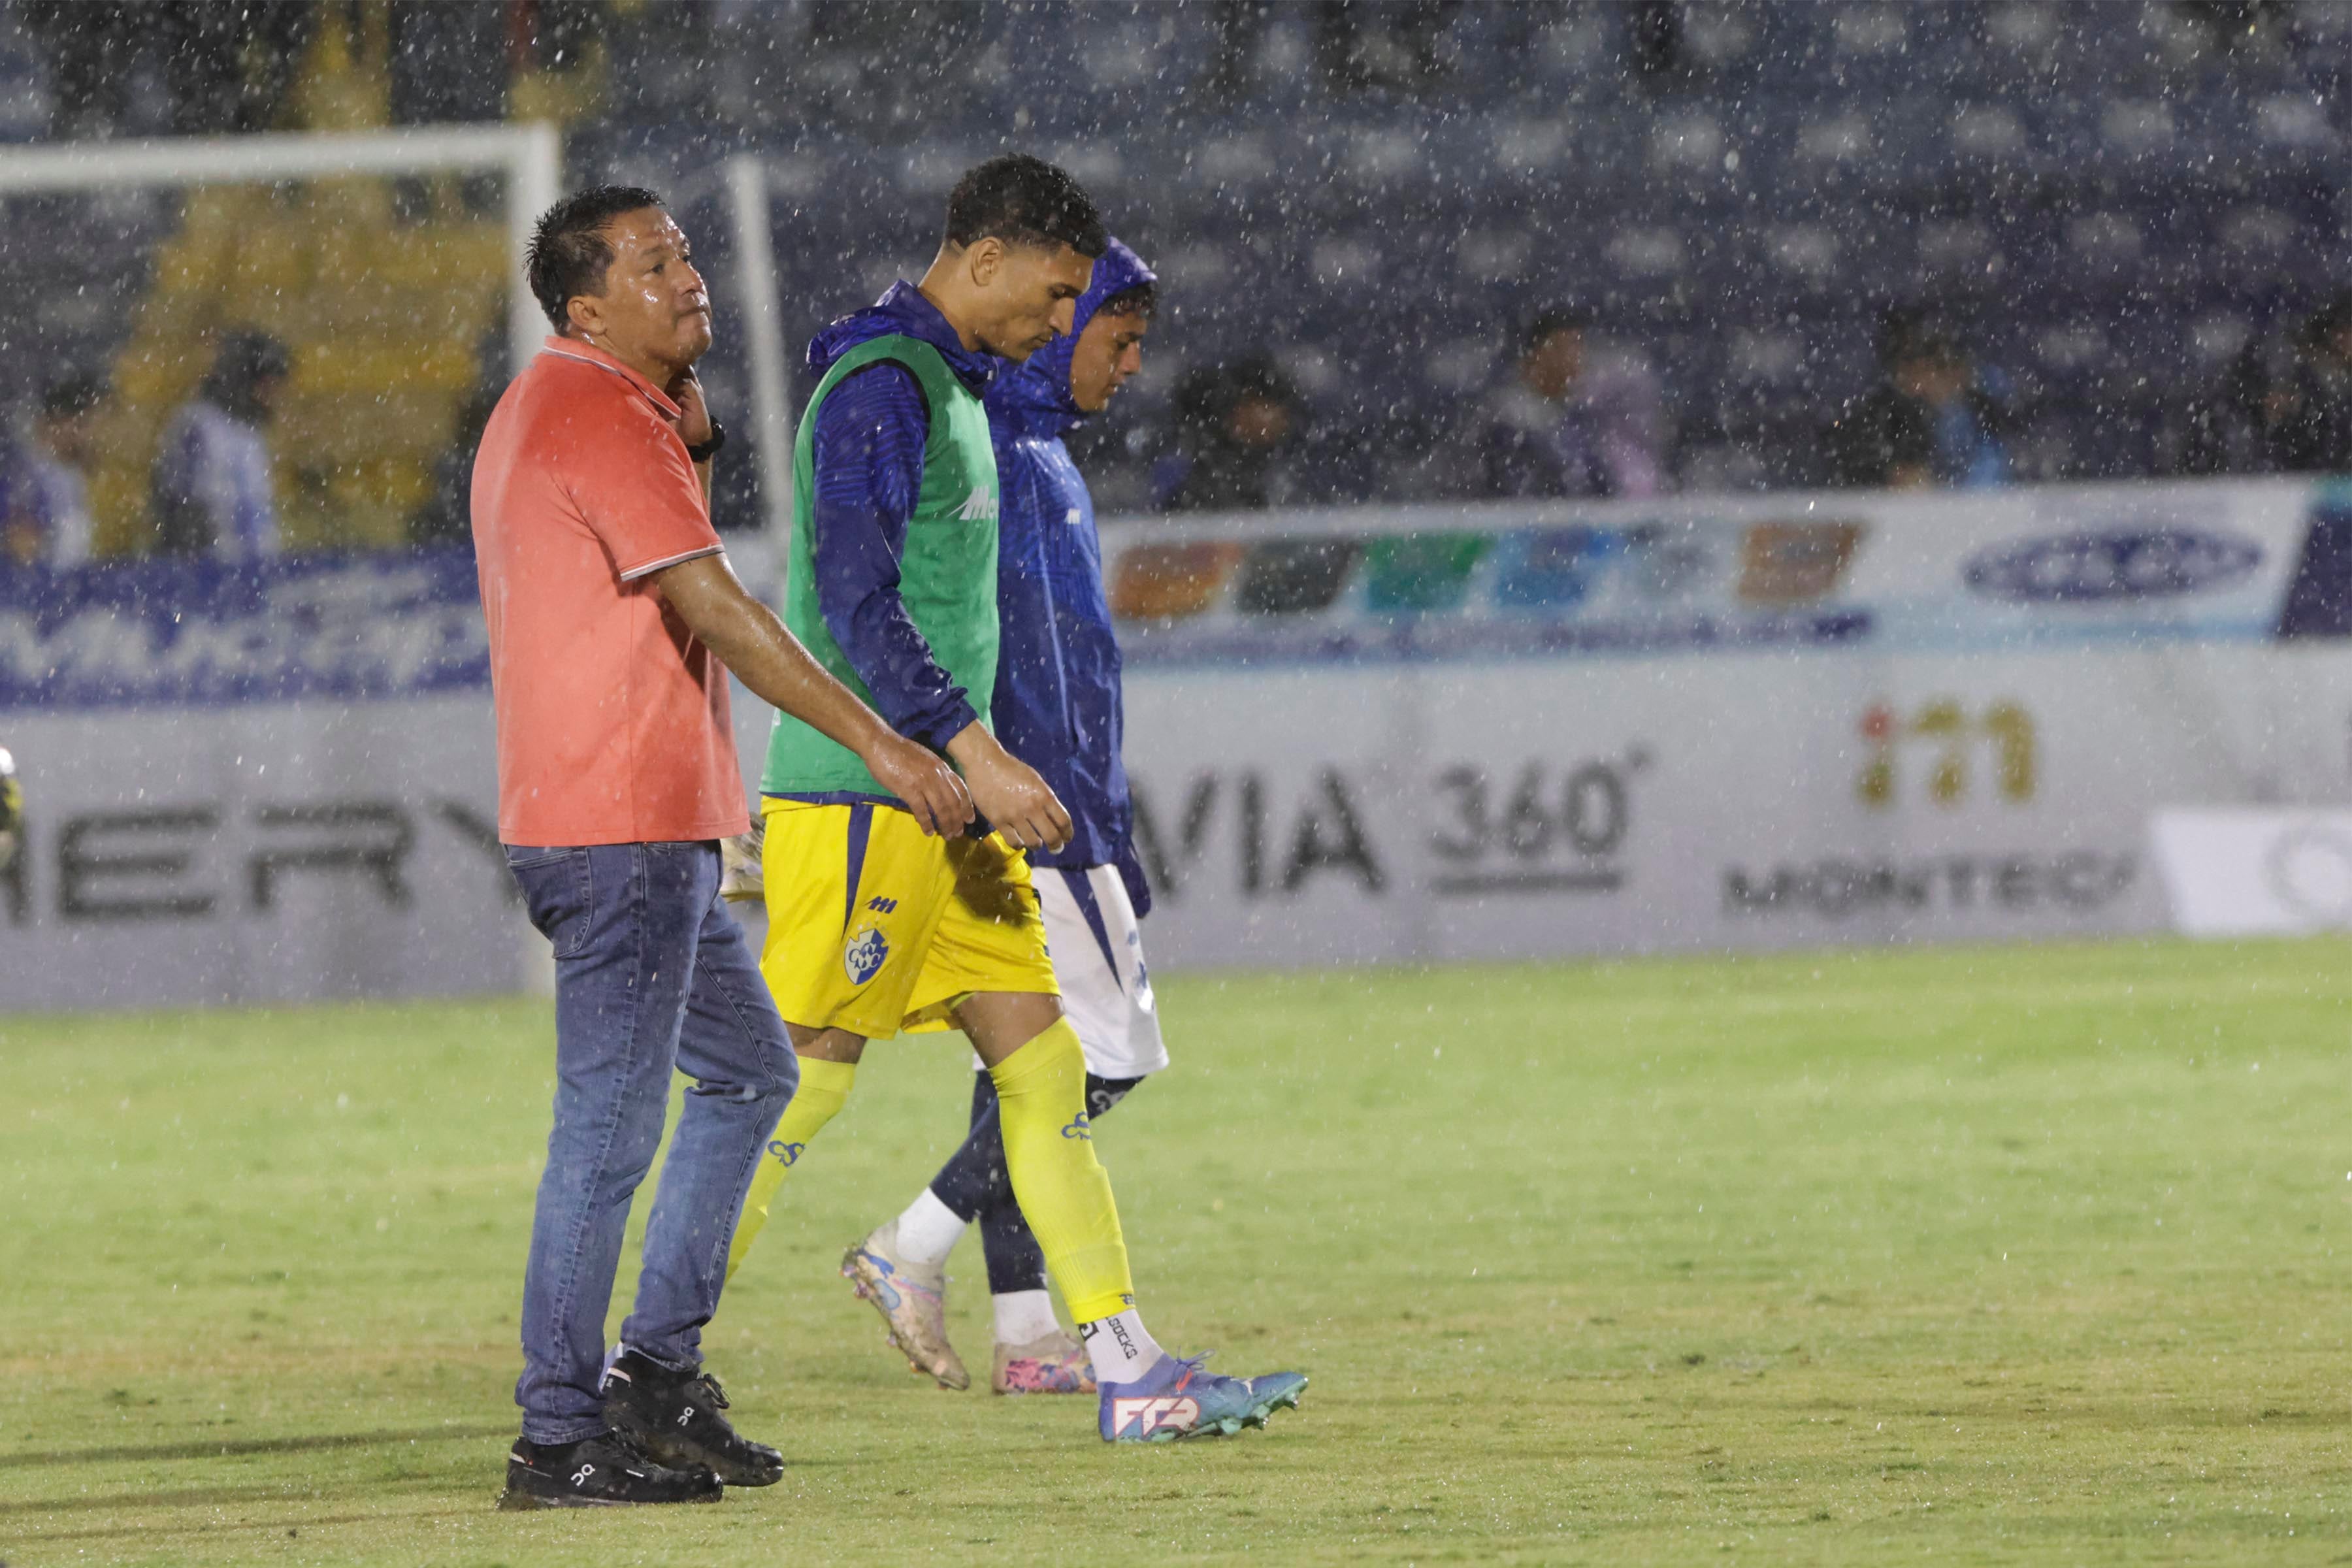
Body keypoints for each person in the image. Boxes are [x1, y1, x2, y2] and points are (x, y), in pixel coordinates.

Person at [724, 154, 1306, 1443]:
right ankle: (639, 1357)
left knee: (1047, 1077)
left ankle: (1129, 1373)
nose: (1061, 322)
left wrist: (980, 771)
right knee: (790, 1090)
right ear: (985, 259)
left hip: (950, 812)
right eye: (1054, 296)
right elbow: (855, 601)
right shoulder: (883, 387)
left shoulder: (959, 393)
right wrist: (970, 748)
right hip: (869, 795)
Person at [472, 184, 972, 1510]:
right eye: (654, 263)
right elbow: (719, 611)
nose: (688, 277)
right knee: (607, 1134)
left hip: (628, 825)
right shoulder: (597, 411)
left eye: (686, 253)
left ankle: (653, 1379)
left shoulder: (569, 405)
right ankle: (556, 1436)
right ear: (588, 308)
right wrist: (888, 746)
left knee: (751, 1075)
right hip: (622, 829)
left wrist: (692, 435)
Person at [805, 238, 1166, 1397]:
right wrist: (1024, 783)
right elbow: (965, 638)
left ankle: (1026, 1333)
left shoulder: (1029, 444)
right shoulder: (983, 438)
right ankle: (910, 1244)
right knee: (1104, 1059)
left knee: (1027, 1061)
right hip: (1034, 804)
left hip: (1052, 796)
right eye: (1115, 335)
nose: (1129, 364)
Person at [1477, 306, 1669, 500]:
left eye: (1577, 346)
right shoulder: (1509, 419)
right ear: (1533, 356)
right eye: (1561, 348)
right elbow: (1518, 492)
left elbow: (1601, 485)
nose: (1573, 357)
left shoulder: (1584, 416)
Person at [1823, 308, 2014, 490]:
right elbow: (1906, 482)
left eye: (1950, 364)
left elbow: (2000, 473)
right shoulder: (1888, 418)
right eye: (1934, 367)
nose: (1942, 378)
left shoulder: (1982, 409)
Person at [150, 329, 289, 559]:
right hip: (212, 571)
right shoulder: (199, 427)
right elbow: (185, 512)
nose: (272, 396)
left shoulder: (251, 437)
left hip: (254, 570)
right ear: (243, 380)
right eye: (267, 385)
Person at [1154, 356, 1315, 512]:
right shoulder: (1212, 468)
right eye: (1267, 409)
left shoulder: (1280, 461)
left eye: (1282, 412)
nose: (1278, 420)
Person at [1, 374, 104, 567]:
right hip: (44, 581)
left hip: (89, 578)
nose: (87, 435)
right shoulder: (23, 481)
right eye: (79, 425)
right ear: (49, 425)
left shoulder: (89, 476)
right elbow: (22, 548)